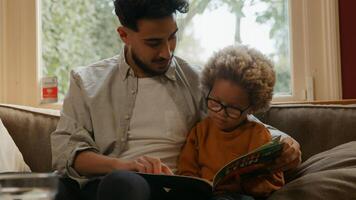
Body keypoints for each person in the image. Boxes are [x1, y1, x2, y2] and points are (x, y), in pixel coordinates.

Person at [51, 0, 301, 200]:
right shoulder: (87, 82)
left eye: (172, 36)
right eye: (153, 42)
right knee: (51, 187)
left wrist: (286, 142)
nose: (166, 52)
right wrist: (123, 166)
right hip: (111, 183)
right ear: (124, 35)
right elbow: (68, 153)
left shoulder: (196, 80)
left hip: (177, 188)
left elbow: (242, 120)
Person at [177, 45, 284, 200]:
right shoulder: (200, 131)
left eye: (233, 108)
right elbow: (186, 171)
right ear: (208, 91)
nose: (221, 113)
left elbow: (274, 182)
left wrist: (243, 186)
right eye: (215, 102)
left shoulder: (257, 135)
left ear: (252, 108)